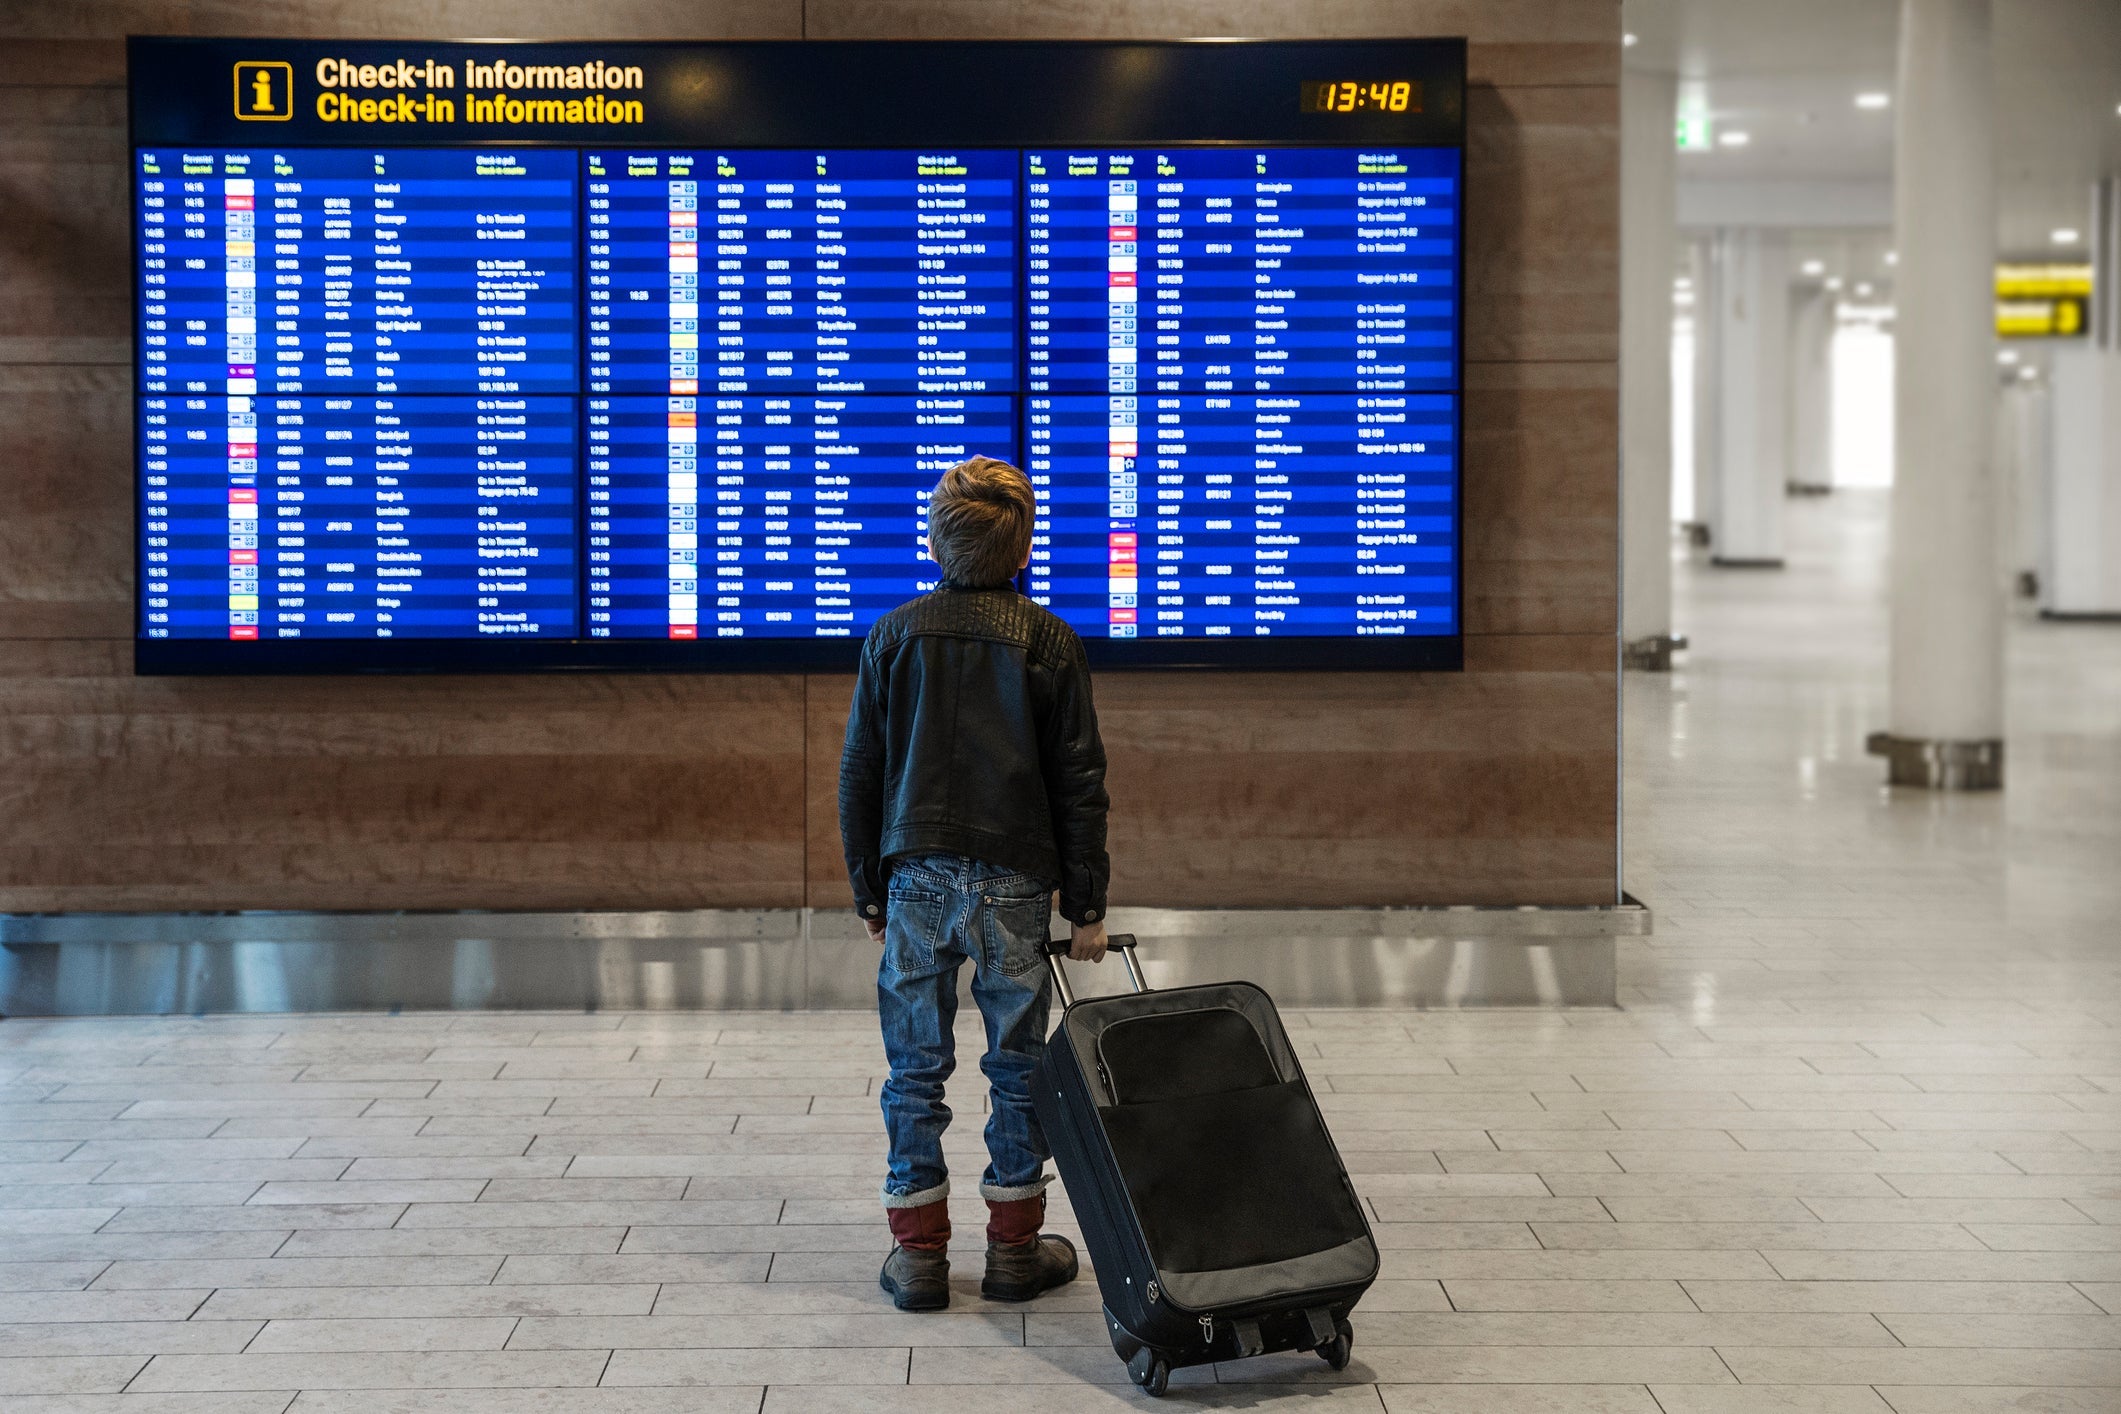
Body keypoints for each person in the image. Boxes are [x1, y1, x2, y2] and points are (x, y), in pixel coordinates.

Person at [839, 454, 1112, 1312]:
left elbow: (861, 774)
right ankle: (1013, 1252)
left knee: (913, 1070)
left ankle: (919, 1257)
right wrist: (1089, 903)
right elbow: (1079, 781)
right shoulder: (1049, 640)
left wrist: (869, 892)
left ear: (936, 538)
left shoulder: (892, 636)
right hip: (1017, 884)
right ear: (1021, 543)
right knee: (1018, 1068)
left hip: (914, 877)